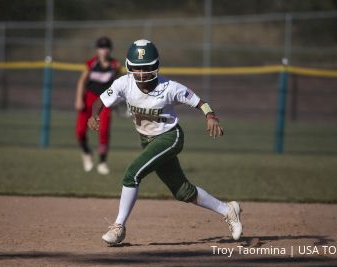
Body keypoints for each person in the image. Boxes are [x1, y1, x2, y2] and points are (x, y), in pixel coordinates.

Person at [88, 39, 243, 245]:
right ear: (129, 67)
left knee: (132, 174)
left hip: (170, 137)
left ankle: (118, 227)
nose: (142, 73)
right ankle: (228, 210)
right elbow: (99, 101)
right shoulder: (123, 83)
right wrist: (93, 114)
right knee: (182, 191)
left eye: (147, 68)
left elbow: (200, 102)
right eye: (137, 68)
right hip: (147, 140)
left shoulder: (169, 87)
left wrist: (210, 116)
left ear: (156, 66)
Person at [75, 36, 120, 175]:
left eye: (106, 47)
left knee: (104, 131)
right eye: (101, 47)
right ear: (97, 49)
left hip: (105, 101)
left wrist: (119, 101)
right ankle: (86, 152)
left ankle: (102, 162)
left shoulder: (115, 65)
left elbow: (120, 83)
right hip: (89, 99)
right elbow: (82, 81)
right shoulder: (92, 64)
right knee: (80, 131)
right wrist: (78, 99)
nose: (104, 51)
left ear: (110, 49)